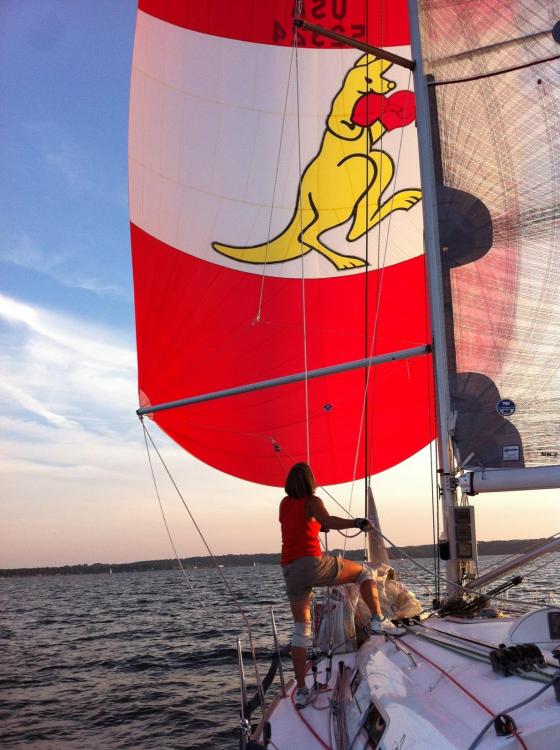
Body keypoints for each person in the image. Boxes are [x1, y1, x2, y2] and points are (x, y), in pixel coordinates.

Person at [279, 462, 405, 709]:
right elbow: (328, 520)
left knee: (300, 630)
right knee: (365, 572)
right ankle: (379, 620)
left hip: (290, 570)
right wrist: (357, 522)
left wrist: (317, 524)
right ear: (309, 481)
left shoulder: (284, 504)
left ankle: (302, 690)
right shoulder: (312, 501)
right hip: (312, 564)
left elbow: (298, 524)